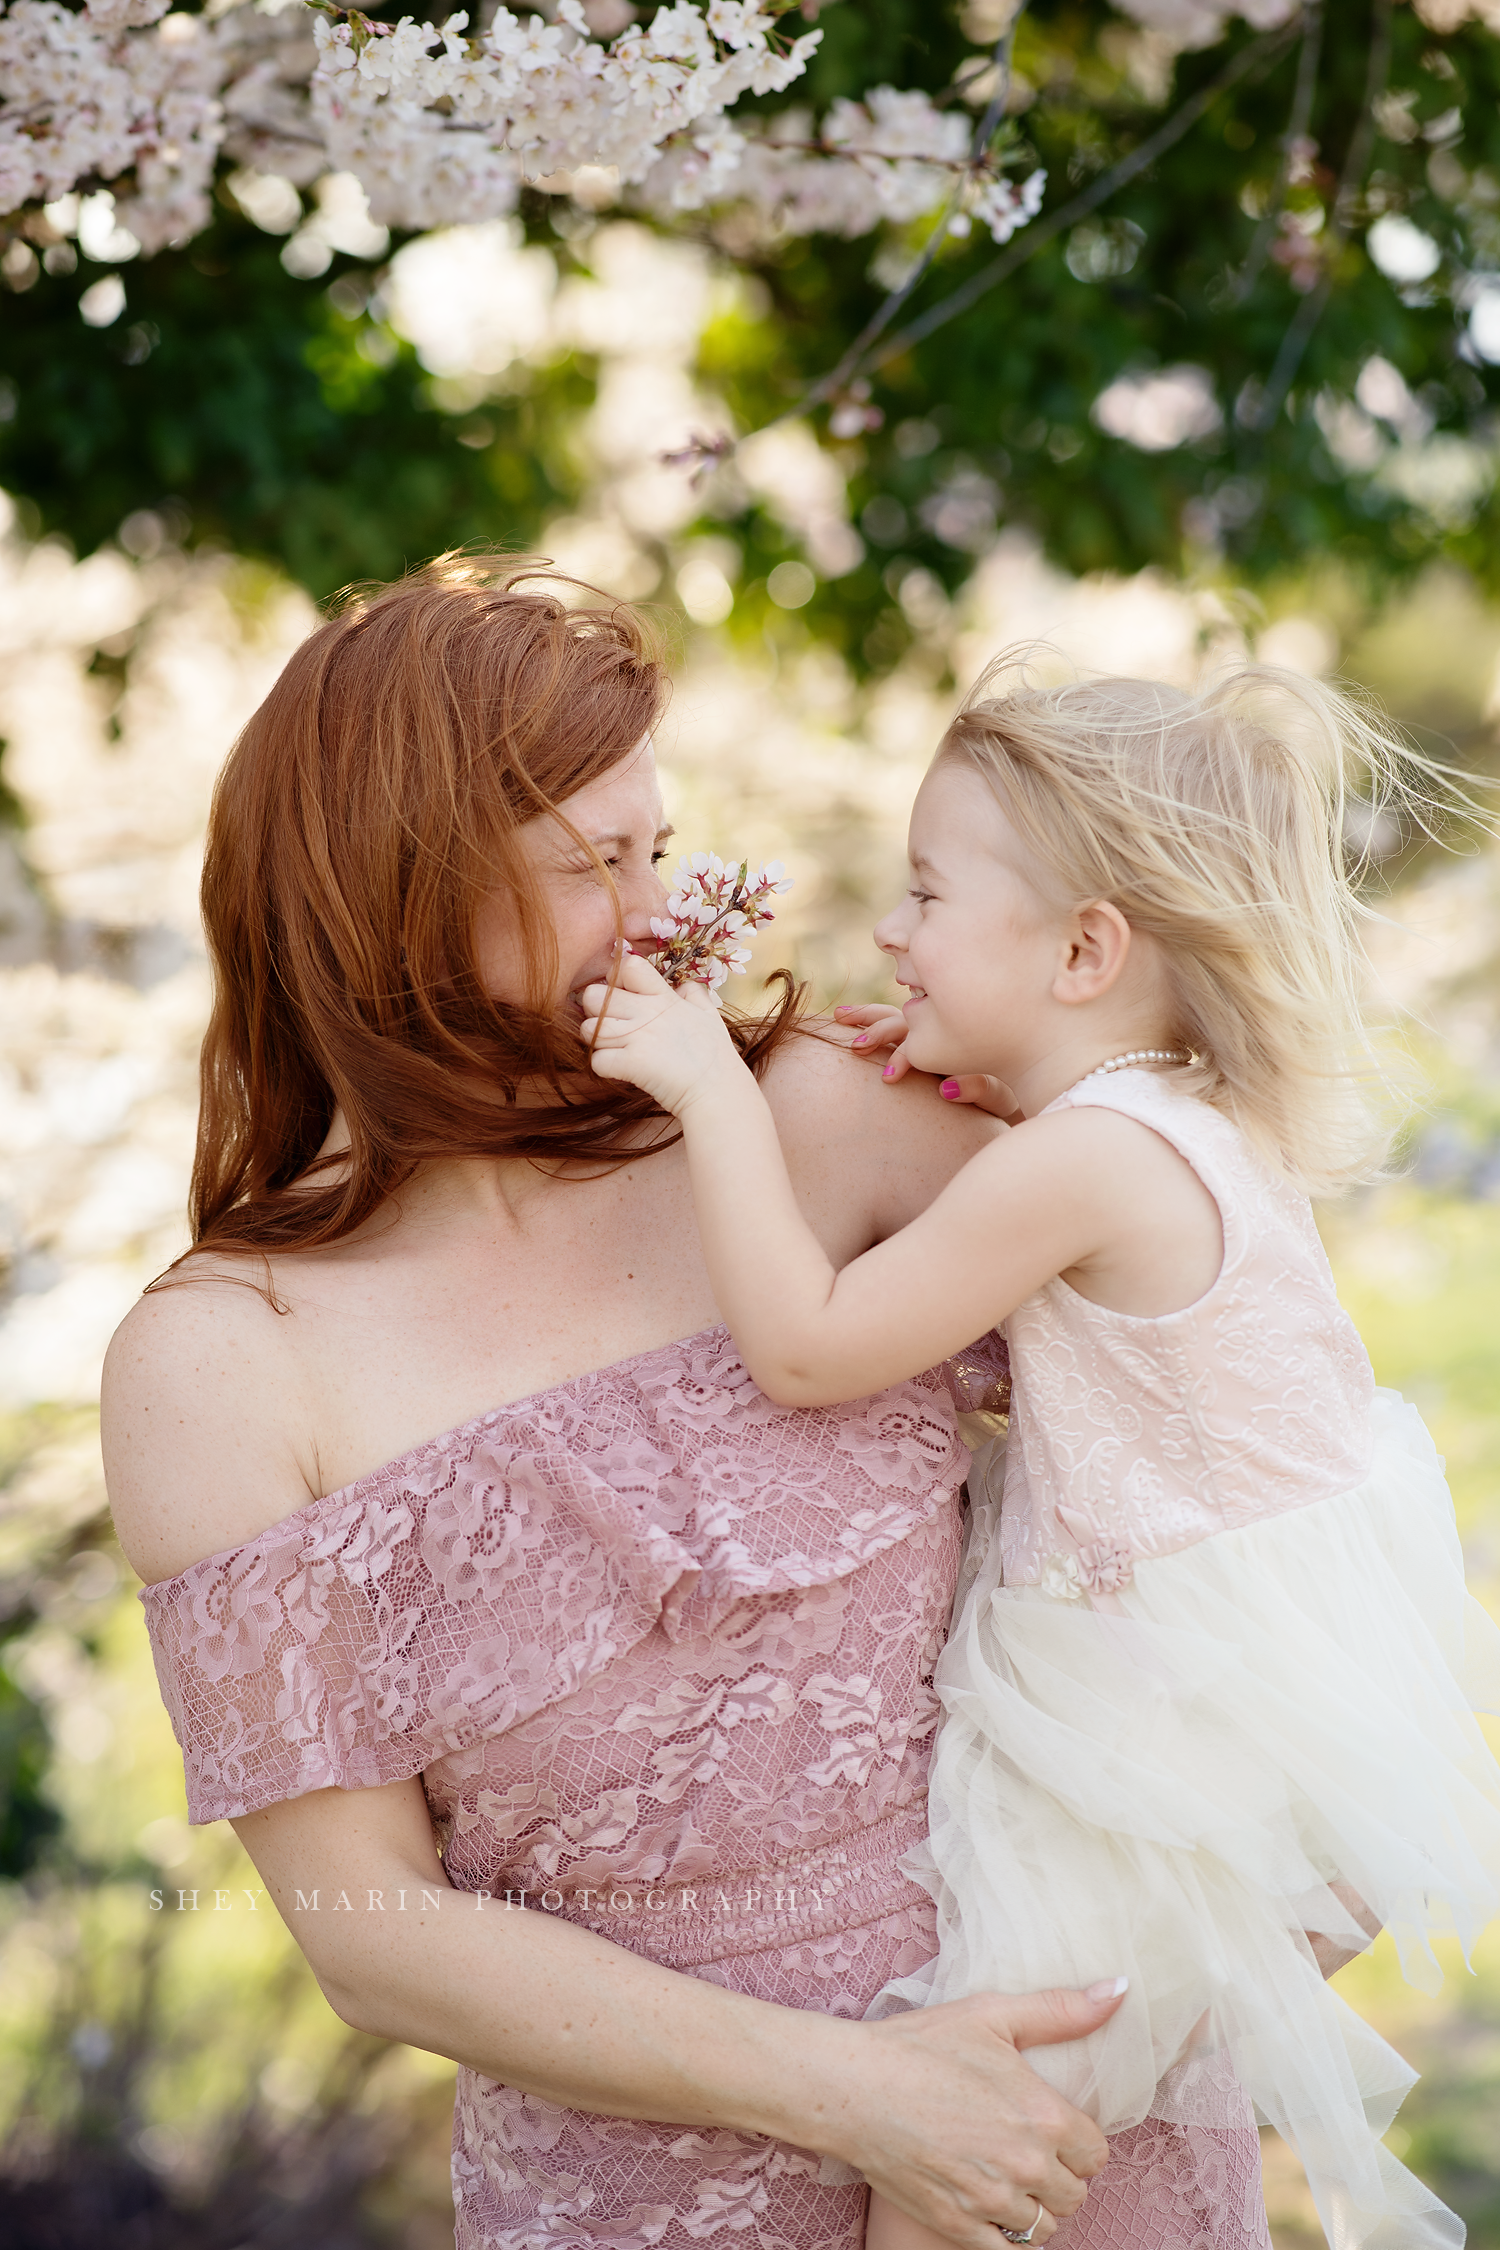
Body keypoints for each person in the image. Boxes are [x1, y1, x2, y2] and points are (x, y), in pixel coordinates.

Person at [102, 560, 1273, 2250]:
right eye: (598, 865)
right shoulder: (221, 1363)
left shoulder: (811, 1122)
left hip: (1063, 2114)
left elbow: (1219, 1362)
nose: (667, 914)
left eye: (661, 847)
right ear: (398, 897)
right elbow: (368, 1925)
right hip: (651, 2188)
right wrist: (853, 2090)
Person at [580, 655, 1500, 2250]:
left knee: (957, 2153)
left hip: (1165, 1744)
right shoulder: (1176, 1121)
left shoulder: (1077, 1162)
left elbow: (808, 1345)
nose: (888, 929)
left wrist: (710, 1090)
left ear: (1086, 950)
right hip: (1278, 1702)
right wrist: (987, 1072)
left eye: (928, 892)